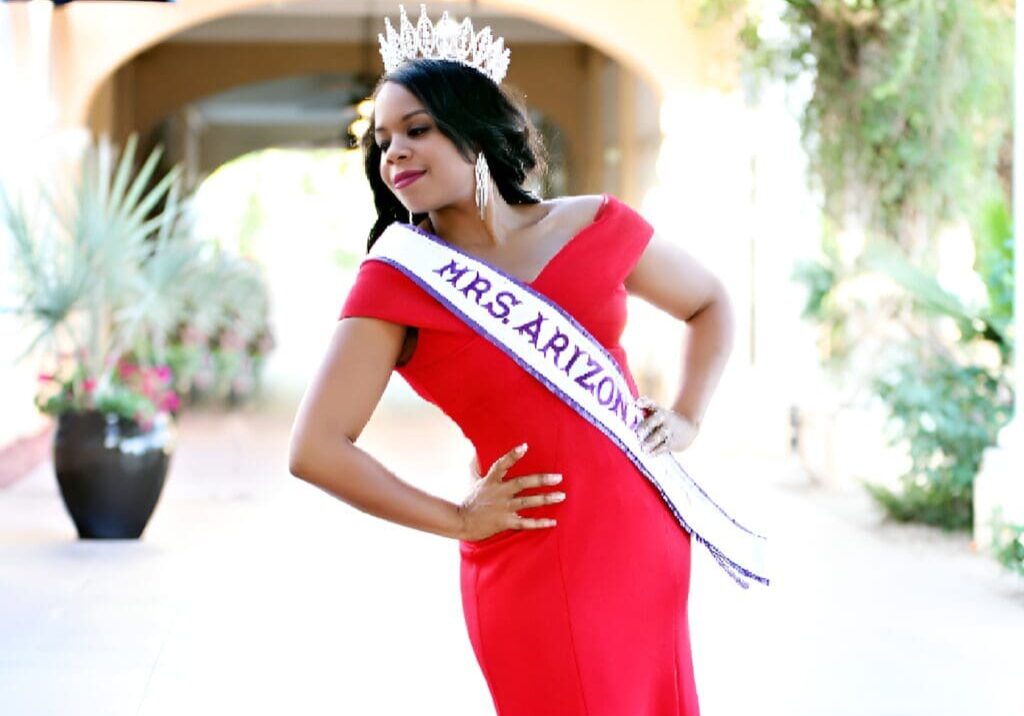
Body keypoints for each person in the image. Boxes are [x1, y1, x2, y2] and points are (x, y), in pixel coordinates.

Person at [289, 6, 738, 715]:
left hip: (643, 540)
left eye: (416, 129)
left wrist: (686, 417)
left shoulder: (593, 224)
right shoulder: (398, 281)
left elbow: (710, 302)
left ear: (472, 127)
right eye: (382, 140)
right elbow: (315, 448)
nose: (394, 153)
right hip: (532, 558)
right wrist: (457, 518)